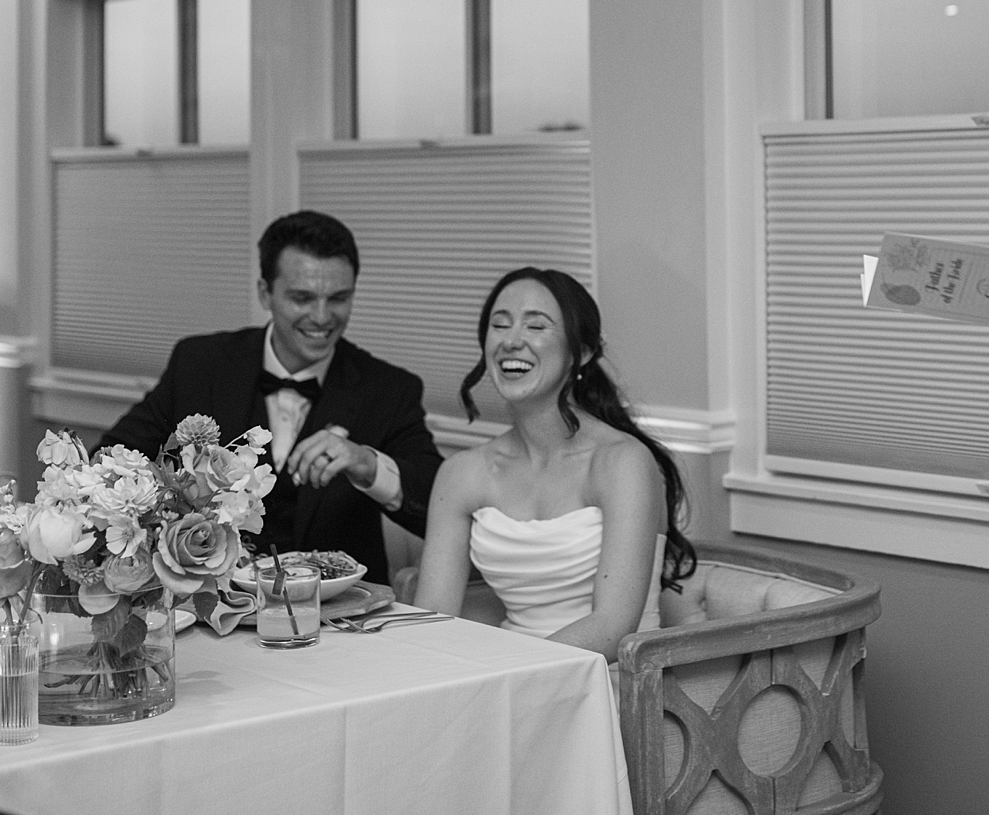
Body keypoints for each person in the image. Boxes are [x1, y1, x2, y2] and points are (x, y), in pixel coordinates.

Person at [100, 210, 443, 583]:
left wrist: (369, 465)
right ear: (265, 293)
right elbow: (112, 462)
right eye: (302, 298)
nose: (323, 317)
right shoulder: (199, 365)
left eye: (339, 298)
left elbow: (436, 508)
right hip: (209, 604)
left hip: (341, 616)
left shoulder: (388, 389)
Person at [411, 268, 696, 661]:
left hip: (611, 686)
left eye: (536, 326)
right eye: (500, 325)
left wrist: (507, 676)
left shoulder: (622, 463)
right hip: (504, 677)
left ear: (581, 352)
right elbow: (432, 620)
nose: (511, 341)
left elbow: (613, 628)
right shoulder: (462, 473)